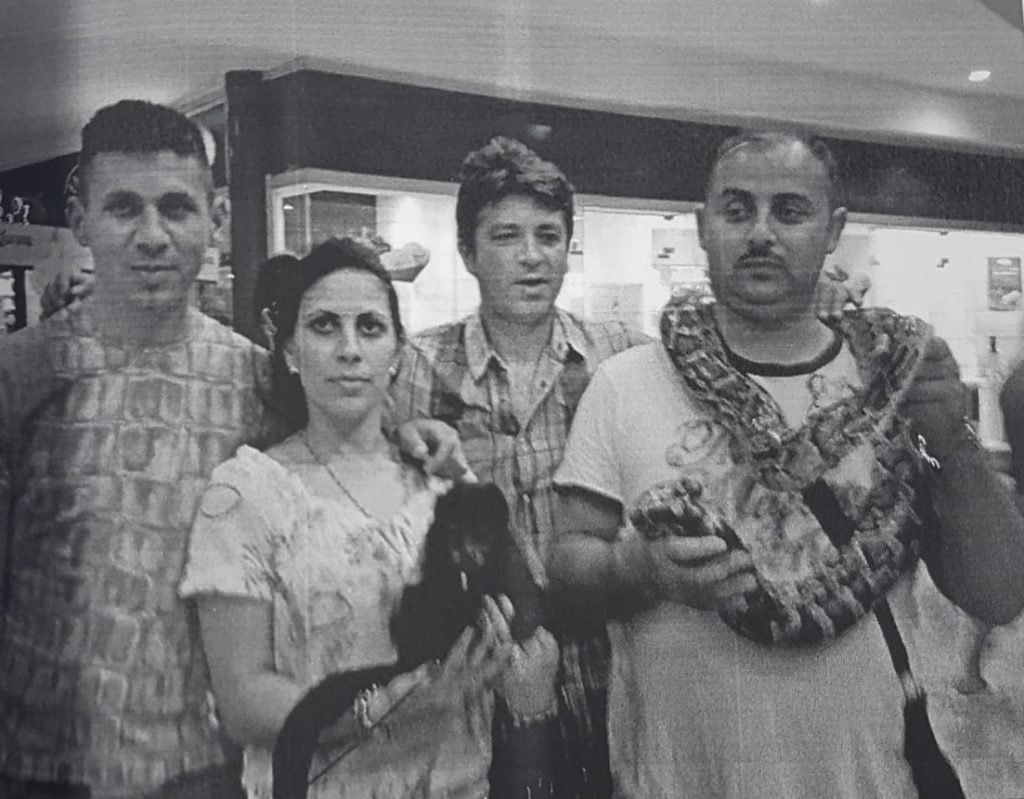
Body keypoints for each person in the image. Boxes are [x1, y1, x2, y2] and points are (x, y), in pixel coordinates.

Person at [0, 100, 465, 799]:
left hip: (212, 766)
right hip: (47, 763)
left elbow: (339, 439)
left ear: (214, 221)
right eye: (124, 207)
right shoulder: (23, 374)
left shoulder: (253, 378)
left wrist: (411, 433)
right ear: (82, 219)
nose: (152, 235)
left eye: (177, 208)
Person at [548, 130, 1024, 799]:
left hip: (870, 779)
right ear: (702, 225)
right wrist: (636, 569)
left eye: (790, 211)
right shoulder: (624, 383)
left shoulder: (895, 381)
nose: (761, 232)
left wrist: (953, 442)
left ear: (834, 231)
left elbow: (1001, 595)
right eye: (737, 209)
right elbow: (566, 575)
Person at [390, 135, 870, 798]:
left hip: (604, 670)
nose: (532, 255)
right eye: (506, 236)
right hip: (475, 677)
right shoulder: (414, 370)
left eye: (549, 235)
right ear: (469, 252)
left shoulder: (626, 358)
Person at [179, 237, 561, 799]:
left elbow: (521, 618)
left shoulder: (438, 480)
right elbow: (243, 701)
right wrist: (388, 708)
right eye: (325, 326)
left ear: (397, 353)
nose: (349, 349)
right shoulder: (246, 495)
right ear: (288, 351)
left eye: (371, 327)